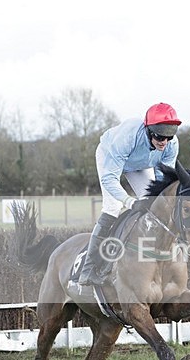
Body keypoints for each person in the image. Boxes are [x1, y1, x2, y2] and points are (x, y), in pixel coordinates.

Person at [76, 102, 181, 287]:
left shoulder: (171, 145)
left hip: (139, 166)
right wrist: (130, 201)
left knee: (155, 207)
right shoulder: (129, 136)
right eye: (159, 135)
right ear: (149, 130)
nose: (163, 141)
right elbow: (110, 179)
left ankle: (153, 258)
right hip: (110, 157)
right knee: (113, 207)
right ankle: (88, 269)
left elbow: (163, 179)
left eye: (168, 136)